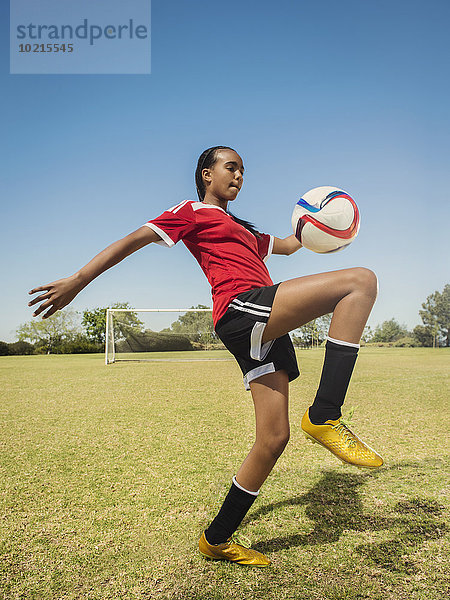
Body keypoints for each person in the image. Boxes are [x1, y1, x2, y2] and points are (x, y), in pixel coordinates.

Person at [28, 145, 382, 568]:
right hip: (241, 307)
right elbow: (132, 241)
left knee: (273, 439)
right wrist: (78, 280)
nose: (238, 176)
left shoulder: (245, 230)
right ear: (205, 174)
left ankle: (216, 539)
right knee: (361, 282)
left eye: (243, 171)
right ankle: (325, 415)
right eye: (230, 167)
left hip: (265, 324)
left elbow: (289, 245)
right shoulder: (192, 212)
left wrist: (324, 224)